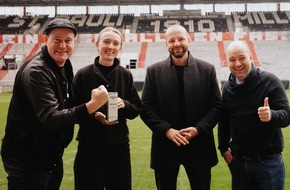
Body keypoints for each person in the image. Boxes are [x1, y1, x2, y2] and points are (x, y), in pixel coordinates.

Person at [0, 18, 109, 190]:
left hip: (50, 155)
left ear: (75, 42)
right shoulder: (37, 71)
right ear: (46, 40)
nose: (62, 45)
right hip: (28, 160)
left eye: (68, 41)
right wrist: (92, 105)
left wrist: (91, 113)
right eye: (57, 39)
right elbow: (50, 118)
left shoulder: (63, 64)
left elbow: (66, 101)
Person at [140, 24, 222, 190]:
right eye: (171, 40)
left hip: (199, 145)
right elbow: (146, 108)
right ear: (166, 44)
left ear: (189, 40)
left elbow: (217, 106)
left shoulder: (207, 70)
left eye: (181, 39)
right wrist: (167, 131)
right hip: (165, 146)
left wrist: (198, 129)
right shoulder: (154, 71)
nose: (176, 43)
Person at [73, 26, 141, 190]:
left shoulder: (125, 74)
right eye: (106, 42)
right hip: (89, 147)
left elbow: (136, 109)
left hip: (119, 148)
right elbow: (72, 110)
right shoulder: (83, 74)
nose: (111, 47)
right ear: (97, 44)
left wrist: (124, 104)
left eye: (115, 43)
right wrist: (92, 114)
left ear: (120, 48)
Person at [218, 40, 290, 190]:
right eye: (232, 59)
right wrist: (223, 148)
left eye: (242, 58)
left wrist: (271, 115)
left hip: (268, 163)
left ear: (251, 58)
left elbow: (286, 115)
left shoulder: (270, 81)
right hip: (239, 163)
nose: (237, 64)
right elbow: (224, 120)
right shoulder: (227, 88)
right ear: (227, 62)